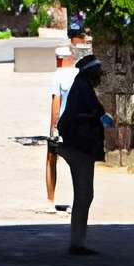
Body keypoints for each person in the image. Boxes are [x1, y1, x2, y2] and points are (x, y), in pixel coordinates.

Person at [55, 52, 115, 253]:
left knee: (84, 194)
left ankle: (78, 240)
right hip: (80, 147)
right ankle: (77, 243)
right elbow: (83, 116)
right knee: (84, 194)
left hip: (80, 146)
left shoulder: (82, 87)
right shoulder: (83, 89)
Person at [45, 43, 76, 211]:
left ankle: (50, 200)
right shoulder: (79, 74)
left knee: (51, 159)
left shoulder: (58, 76)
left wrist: (53, 127)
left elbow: (55, 103)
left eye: (58, 59)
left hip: (63, 125)